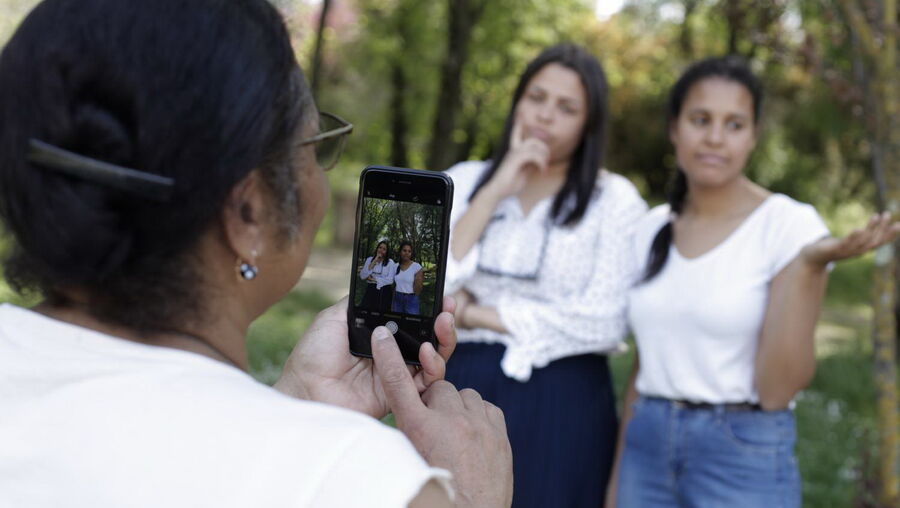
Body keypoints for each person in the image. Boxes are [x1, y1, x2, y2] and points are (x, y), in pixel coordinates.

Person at [0, 1, 513, 507]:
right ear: (249, 212)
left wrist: (298, 402)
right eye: (316, 146)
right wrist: (470, 495)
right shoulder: (354, 478)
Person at [607, 56, 900, 508]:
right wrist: (618, 476)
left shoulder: (788, 226)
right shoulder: (651, 228)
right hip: (646, 440)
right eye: (700, 119)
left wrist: (809, 266)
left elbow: (778, 388)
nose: (714, 138)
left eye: (734, 124)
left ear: (754, 136)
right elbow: (646, 364)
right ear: (674, 127)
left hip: (740, 450)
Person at [442, 44, 647, 507]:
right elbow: (427, 282)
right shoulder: (463, 179)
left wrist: (472, 313)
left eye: (567, 107)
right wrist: (496, 189)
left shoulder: (613, 201)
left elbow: (603, 321)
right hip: (457, 389)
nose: (545, 115)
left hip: (564, 401)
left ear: (588, 124)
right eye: (536, 97)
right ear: (517, 100)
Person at [359, 240, 397, 310]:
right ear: (377, 248)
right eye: (380, 247)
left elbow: (390, 280)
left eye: (384, 249)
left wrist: (373, 279)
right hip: (370, 290)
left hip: (384, 292)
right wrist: (375, 260)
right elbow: (362, 276)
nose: (381, 250)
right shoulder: (369, 259)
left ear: (386, 252)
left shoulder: (390, 262)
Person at [392, 241, 424, 315]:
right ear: (400, 252)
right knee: (397, 321)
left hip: (411, 299)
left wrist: (419, 280)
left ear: (411, 253)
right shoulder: (395, 266)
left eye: (409, 251)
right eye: (404, 250)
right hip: (397, 298)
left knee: (412, 323)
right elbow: (392, 284)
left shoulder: (417, 267)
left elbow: (418, 290)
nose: (407, 253)